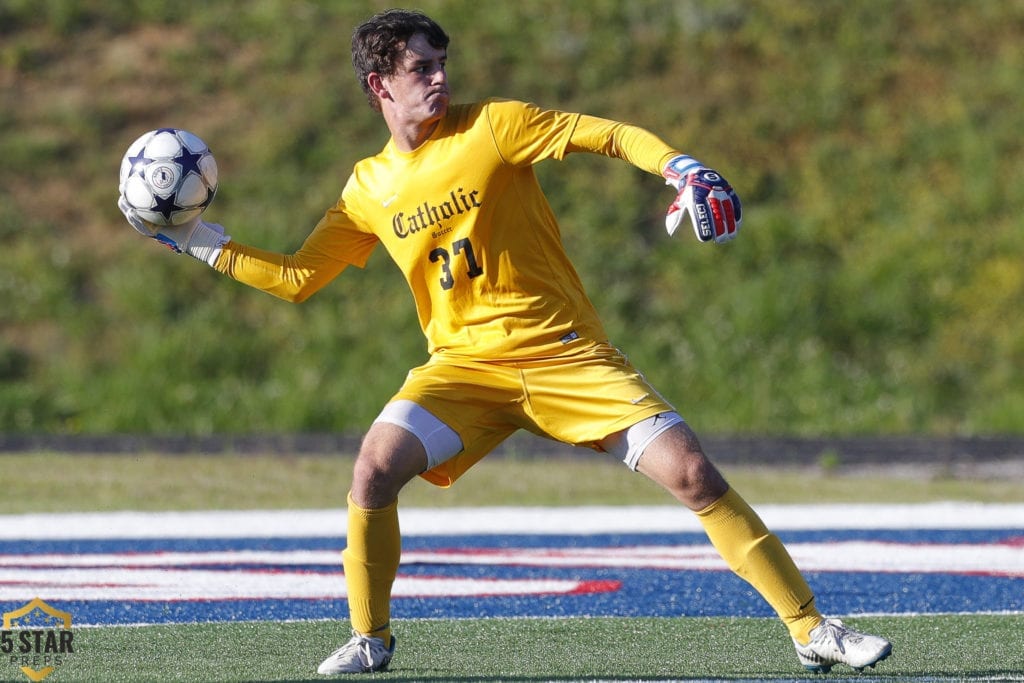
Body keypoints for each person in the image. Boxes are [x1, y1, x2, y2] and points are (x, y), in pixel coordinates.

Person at [118, 8, 892, 677]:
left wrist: (680, 167)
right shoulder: (367, 189)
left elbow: (609, 134)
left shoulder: (495, 125)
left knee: (692, 473)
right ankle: (369, 636)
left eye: (442, 63)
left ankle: (811, 629)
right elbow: (296, 278)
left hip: (565, 354)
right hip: (462, 370)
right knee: (373, 469)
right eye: (420, 67)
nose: (438, 77)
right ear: (378, 85)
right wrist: (201, 245)